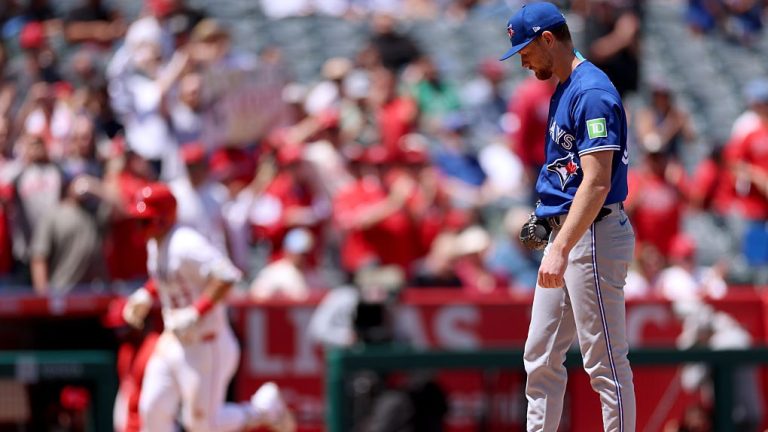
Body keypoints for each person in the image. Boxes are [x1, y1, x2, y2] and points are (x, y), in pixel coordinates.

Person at [499, 3, 635, 431]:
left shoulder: (591, 91)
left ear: (548, 39)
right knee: (540, 356)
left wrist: (559, 246)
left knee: (604, 362)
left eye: (525, 51)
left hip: (592, 232)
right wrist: (547, 218)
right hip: (570, 231)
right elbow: (571, 173)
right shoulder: (565, 86)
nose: (522, 61)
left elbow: (596, 182)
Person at [119, 182, 295, 432]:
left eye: (145, 220)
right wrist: (146, 294)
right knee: (152, 411)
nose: (140, 227)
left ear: (164, 218)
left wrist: (196, 311)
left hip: (206, 343)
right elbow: (168, 275)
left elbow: (226, 276)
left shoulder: (186, 243)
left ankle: (264, 410)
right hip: (174, 340)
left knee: (202, 425)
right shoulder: (156, 243)